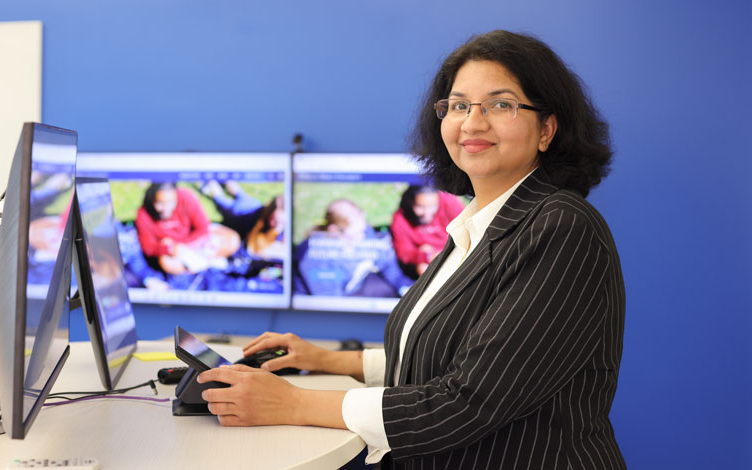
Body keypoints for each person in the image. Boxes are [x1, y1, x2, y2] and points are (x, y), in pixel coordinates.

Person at [196, 30, 626, 470]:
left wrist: (293, 404)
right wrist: (325, 359)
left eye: (501, 104)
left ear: (547, 129)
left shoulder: (561, 228)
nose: (473, 123)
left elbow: (468, 400)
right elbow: (451, 351)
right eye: (459, 105)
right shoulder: (478, 224)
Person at [293, 198, 413, 297]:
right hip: (321, 301)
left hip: (354, 288)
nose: (363, 237)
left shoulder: (365, 233)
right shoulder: (316, 252)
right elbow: (326, 299)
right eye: (357, 234)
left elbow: (388, 267)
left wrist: (405, 288)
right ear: (334, 230)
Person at [135, 182, 240, 275]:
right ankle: (207, 265)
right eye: (160, 203)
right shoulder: (143, 214)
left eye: (170, 202)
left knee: (233, 240)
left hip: (196, 242)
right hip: (177, 253)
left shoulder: (185, 196)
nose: (166, 209)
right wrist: (169, 248)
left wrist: (182, 244)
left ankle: (202, 265)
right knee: (166, 263)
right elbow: (148, 247)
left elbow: (203, 227)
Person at [390, 185, 464, 277]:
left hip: (454, 249)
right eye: (420, 207)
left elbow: (466, 230)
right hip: (427, 258)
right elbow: (404, 252)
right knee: (423, 262)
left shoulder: (449, 203)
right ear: (410, 202)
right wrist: (426, 256)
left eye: (432, 206)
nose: (427, 213)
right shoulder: (400, 219)